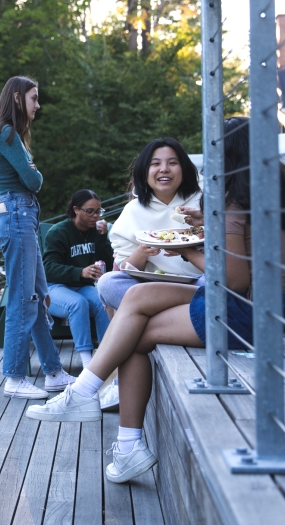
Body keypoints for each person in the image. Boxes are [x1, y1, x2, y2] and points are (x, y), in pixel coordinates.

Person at [25, 117, 285, 484]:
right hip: (261, 305)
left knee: (133, 334)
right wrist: (208, 225)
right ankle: (109, 425)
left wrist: (187, 249)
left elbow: (233, 278)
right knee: (136, 296)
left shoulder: (234, 200)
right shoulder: (266, 188)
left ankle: (100, 413)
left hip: (241, 313)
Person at [94, 138, 202, 409]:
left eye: (172, 163)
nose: (164, 169)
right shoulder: (133, 211)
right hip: (154, 290)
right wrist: (142, 253)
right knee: (107, 282)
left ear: (184, 169)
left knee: (206, 286)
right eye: (155, 164)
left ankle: (113, 380)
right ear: (145, 171)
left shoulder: (202, 203)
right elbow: (124, 266)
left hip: (198, 284)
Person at [0, 75, 73, 399]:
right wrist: (35, 171)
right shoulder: (7, 134)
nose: (38, 105)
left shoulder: (10, 134)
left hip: (22, 217)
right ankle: (14, 377)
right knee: (24, 300)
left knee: (37, 294)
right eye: (34, 98)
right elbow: (33, 181)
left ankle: (52, 371)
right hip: (18, 215)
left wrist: (33, 170)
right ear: (19, 98)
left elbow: (30, 178)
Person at [42, 190, 113, 365]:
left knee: (102, 300)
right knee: (77, 303)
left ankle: (108, 356)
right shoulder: (58, 232)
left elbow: (109, 265)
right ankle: (88, 361)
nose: (95, 216)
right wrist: (80, 272)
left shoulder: (97, 232)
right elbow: (48, 268)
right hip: (54, 288)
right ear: (76, 209)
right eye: (90, 211)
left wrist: (103, 239)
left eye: (98, 211)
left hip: (82, 287)